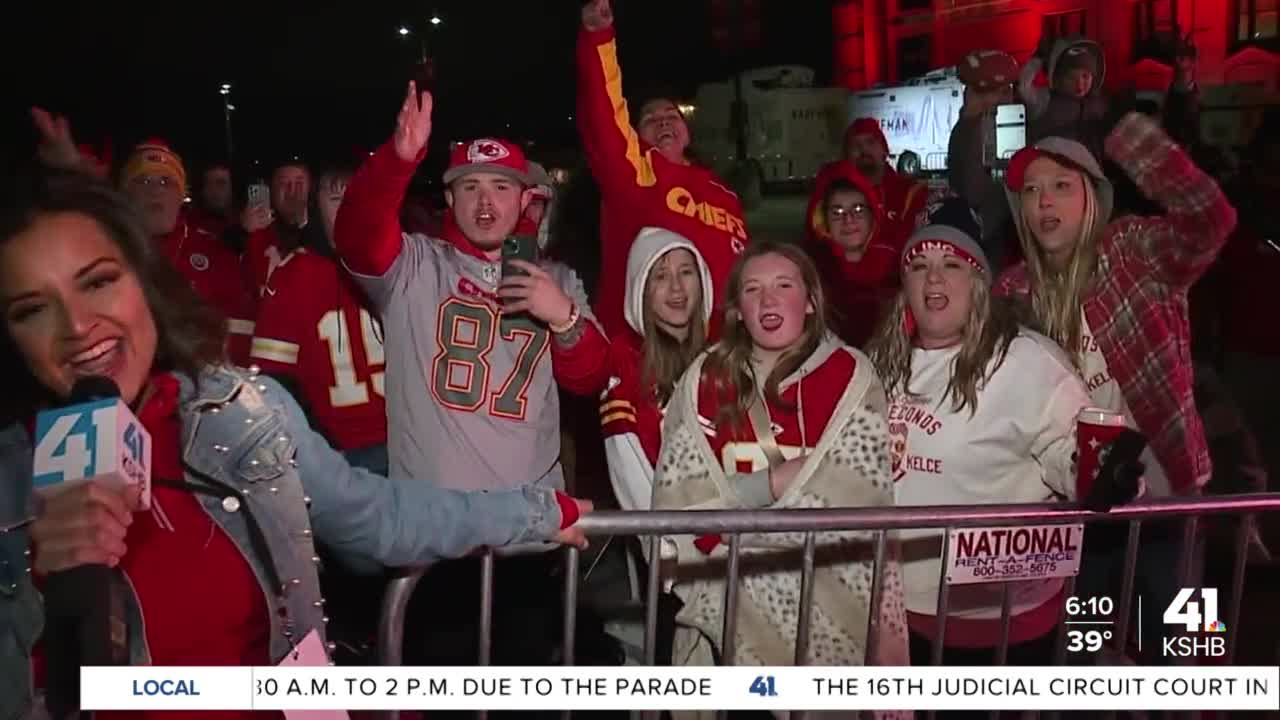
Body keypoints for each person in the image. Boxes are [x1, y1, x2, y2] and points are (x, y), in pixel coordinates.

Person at [0, 169, 589, 720]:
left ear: (145, 280)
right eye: (32, 309)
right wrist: (39, 585)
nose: (76, 327)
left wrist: (533, 512)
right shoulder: (11, 481)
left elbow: (377, 515)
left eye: (98, 281)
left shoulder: (240, 415)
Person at [333, 83, 605, 667]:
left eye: (500, 188)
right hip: (435, 539)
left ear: (524, 199)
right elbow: (356, 238)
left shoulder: (556, 277)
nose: (485, 203)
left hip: (531, 539)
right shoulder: (412, 265)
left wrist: (563, 316)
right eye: (469, 188)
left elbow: (591, 380)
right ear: (449, 199)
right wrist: (397, 159)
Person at [996, 112, 1237, 659]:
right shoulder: (1012, 292)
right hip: (1074, 513)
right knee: (1086, 656)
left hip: (1169, 496)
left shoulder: (1132, 251)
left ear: (1092, 197)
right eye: (1031, 191)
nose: (1044, 202)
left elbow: (1212, 219)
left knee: (1190, 652)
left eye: (1061, 186)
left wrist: (1134, 141)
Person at [867, 213, 1139, 676]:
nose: (933, 275)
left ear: (978, 283)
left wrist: (1104, 471)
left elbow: (1070, 456)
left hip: (1001, 622)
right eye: (918, 265)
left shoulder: (1026, 361)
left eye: (951, 264)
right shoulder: (882, 361)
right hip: (900, 613)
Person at [652, 241, 910, 678]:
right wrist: (771, 485)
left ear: (810, 302)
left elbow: (857, 499)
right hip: (729, 611)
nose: (768, 299)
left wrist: (740, 519)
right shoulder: (705, 379)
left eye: (783, 285)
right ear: (736, 310)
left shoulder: (852, 376)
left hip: (828, 606)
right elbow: (680, 502)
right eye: (752, 290)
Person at [577, 0, 747, 339]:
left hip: (718, 357)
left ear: (687, 131)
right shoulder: (635, 176)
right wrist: (598, 39)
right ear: (635, 136)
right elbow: (604, 117)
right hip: (642, 358)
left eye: (672, 116)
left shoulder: (724, 193)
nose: (663, 121)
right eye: (650, 119)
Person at [250, 164, 388, 475]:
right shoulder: (294, 275)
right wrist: (318, 445)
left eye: (360, 198)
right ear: (315, 207)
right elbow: (272, 381)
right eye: (337, 200)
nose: (351, 209)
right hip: (344, 457)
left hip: (411, 445)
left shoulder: (404, 266)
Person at [118, 140, 257, 365]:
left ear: (181, 195)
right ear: (126, 193)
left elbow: (241, 335)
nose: (155, 190)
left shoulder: (215, 253)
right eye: (143, 180)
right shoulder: (110, 252)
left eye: (166, 181)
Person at [804, 161, 899, 347]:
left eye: (858, 210)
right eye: (837, 212)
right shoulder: (810, 271)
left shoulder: (895, 266)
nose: (848, 220)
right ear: (823, 220)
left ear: (873, 216)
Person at [842, 118, 928, 250]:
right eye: (856, 145)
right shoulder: (836, 198)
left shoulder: (911, 193)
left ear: (885, 150)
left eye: (870, 142)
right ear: (847, 156)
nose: (864, 149)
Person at [1017, 33, 1108, 153]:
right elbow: (1023, 86)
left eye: (1085, 76)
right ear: (1058, 78)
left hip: (1086, 169)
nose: (1079, 84)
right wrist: (1038, 58)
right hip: (1048, 167)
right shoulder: (1044, 100)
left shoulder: (1099, 106)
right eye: (1071, 78)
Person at [242, 158, 312, 297]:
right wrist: (243, 234)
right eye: (284, 183)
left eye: (299, 183)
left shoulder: (326, 234)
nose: (292, 191)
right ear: (272, 190)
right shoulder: (254, 233)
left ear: (310, 188)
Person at [190, 161, 236, 234]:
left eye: (221, 183)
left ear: (232, 187)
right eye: (208, 184)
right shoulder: (188, 225)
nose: (213, 190)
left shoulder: (243, 221)